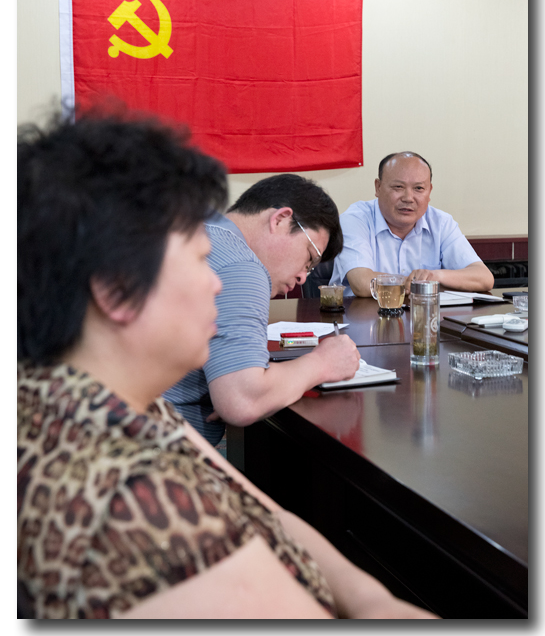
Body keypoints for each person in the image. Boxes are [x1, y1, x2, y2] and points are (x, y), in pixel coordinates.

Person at [17, 113, 437, 620]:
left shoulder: (109, 402)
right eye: (197, 261)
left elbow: (264, 510)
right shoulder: (131, 502)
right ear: (115, 290)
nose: (217, 283)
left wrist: (373, 600)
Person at [164, 174, 361, 446]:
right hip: (155, 452)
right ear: (280, 219)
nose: (303, 277)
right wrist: (323, 363)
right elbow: (242, 400)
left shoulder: (197, 228)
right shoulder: (242, 266)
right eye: (309, 257)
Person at [330, 151, 494, 298]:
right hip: (361, 319)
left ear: (429, 191)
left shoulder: (441, 222)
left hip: (422, 317)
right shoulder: (355, 219)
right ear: (378, 187)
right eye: (398, 187)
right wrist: (423, 284)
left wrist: (434, 276)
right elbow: (362, 283)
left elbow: (484, 278)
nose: (408, 198)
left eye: (419, 188)